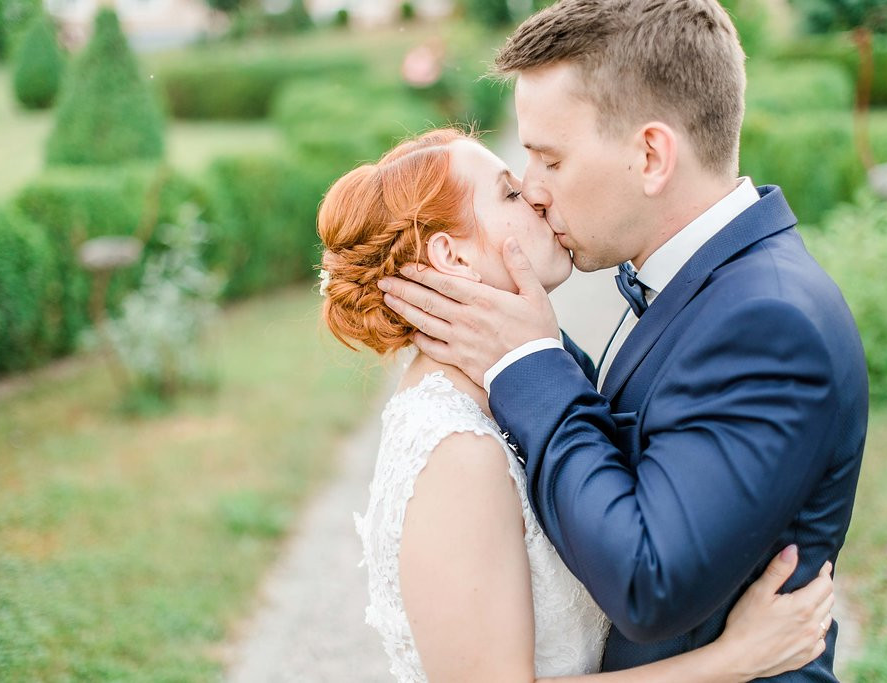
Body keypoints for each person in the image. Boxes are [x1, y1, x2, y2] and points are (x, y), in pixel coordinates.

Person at [376, 1, 869, 680]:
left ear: (649, 154)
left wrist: (530, 363)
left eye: (548, 159)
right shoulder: (699, 282)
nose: (534, 189)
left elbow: (647, 579)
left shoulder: (769, 321)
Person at [320, 128, 835, 682]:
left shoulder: (505, 390)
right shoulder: (454, 450)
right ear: (453, 255)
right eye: (510, 194)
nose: (536, 197)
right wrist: (737, 659)